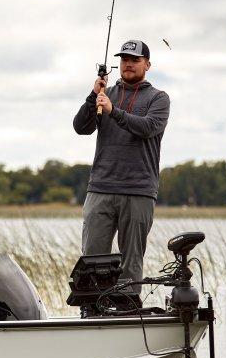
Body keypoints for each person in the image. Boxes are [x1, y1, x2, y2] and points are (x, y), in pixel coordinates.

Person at [72, 40, 170, 305]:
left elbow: (147, 127)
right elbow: (81, 127)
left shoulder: (159, 99)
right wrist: (93, 96)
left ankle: (126, 309)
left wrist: (114, 112)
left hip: (139, 190)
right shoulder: (106, 95)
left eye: (135, 59)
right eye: (125, 58)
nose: (128, 63)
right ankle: (92, 310)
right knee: (92, 257)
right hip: (101, 187)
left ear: (147, 65)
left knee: (131, 259)